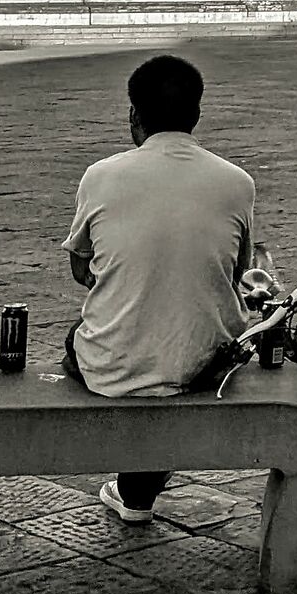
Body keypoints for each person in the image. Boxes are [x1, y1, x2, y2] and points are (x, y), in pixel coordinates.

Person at [64, 55, 257, 524]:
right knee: (175, 342)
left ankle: (135, 484)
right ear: (197, 114)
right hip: (206, 366)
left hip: (115, 367)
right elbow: (237, 271)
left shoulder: (100, 175)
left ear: (134, 115)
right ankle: (138, 486)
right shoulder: (237, 183)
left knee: (87, 338)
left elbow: (79, 265)